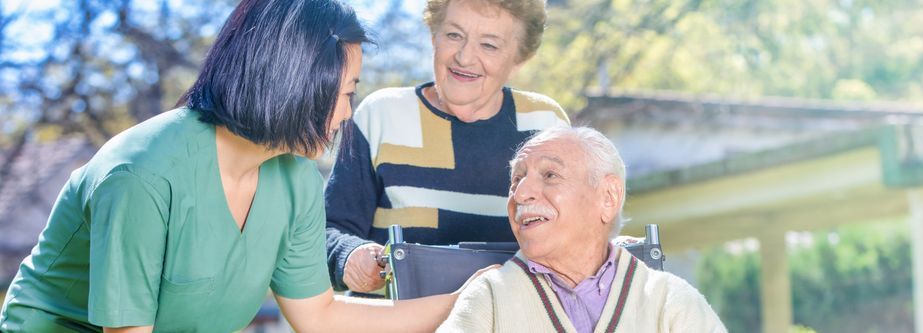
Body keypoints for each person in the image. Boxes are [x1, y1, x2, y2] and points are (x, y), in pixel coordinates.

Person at [0, 1, 487, 332]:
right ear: (294, 86)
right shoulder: (142, 175)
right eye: (344, 94)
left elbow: (319, 316)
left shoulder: (293, 175)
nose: (347, 114)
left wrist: (473, 299)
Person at [325, 0, 570, 295]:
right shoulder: (381, 115)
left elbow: (574, 238)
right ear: (433, 37)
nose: (465, 57)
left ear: (518, 60)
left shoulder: (545, 124)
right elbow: (326, 231)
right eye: (454, 35)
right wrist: (350, 256)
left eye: (489, 45)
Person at [437, 126, 728, 333]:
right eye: (516, 180)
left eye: (550, 175)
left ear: (607, 197)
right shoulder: (489, 299)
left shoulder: (670, 302)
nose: (520, 194)